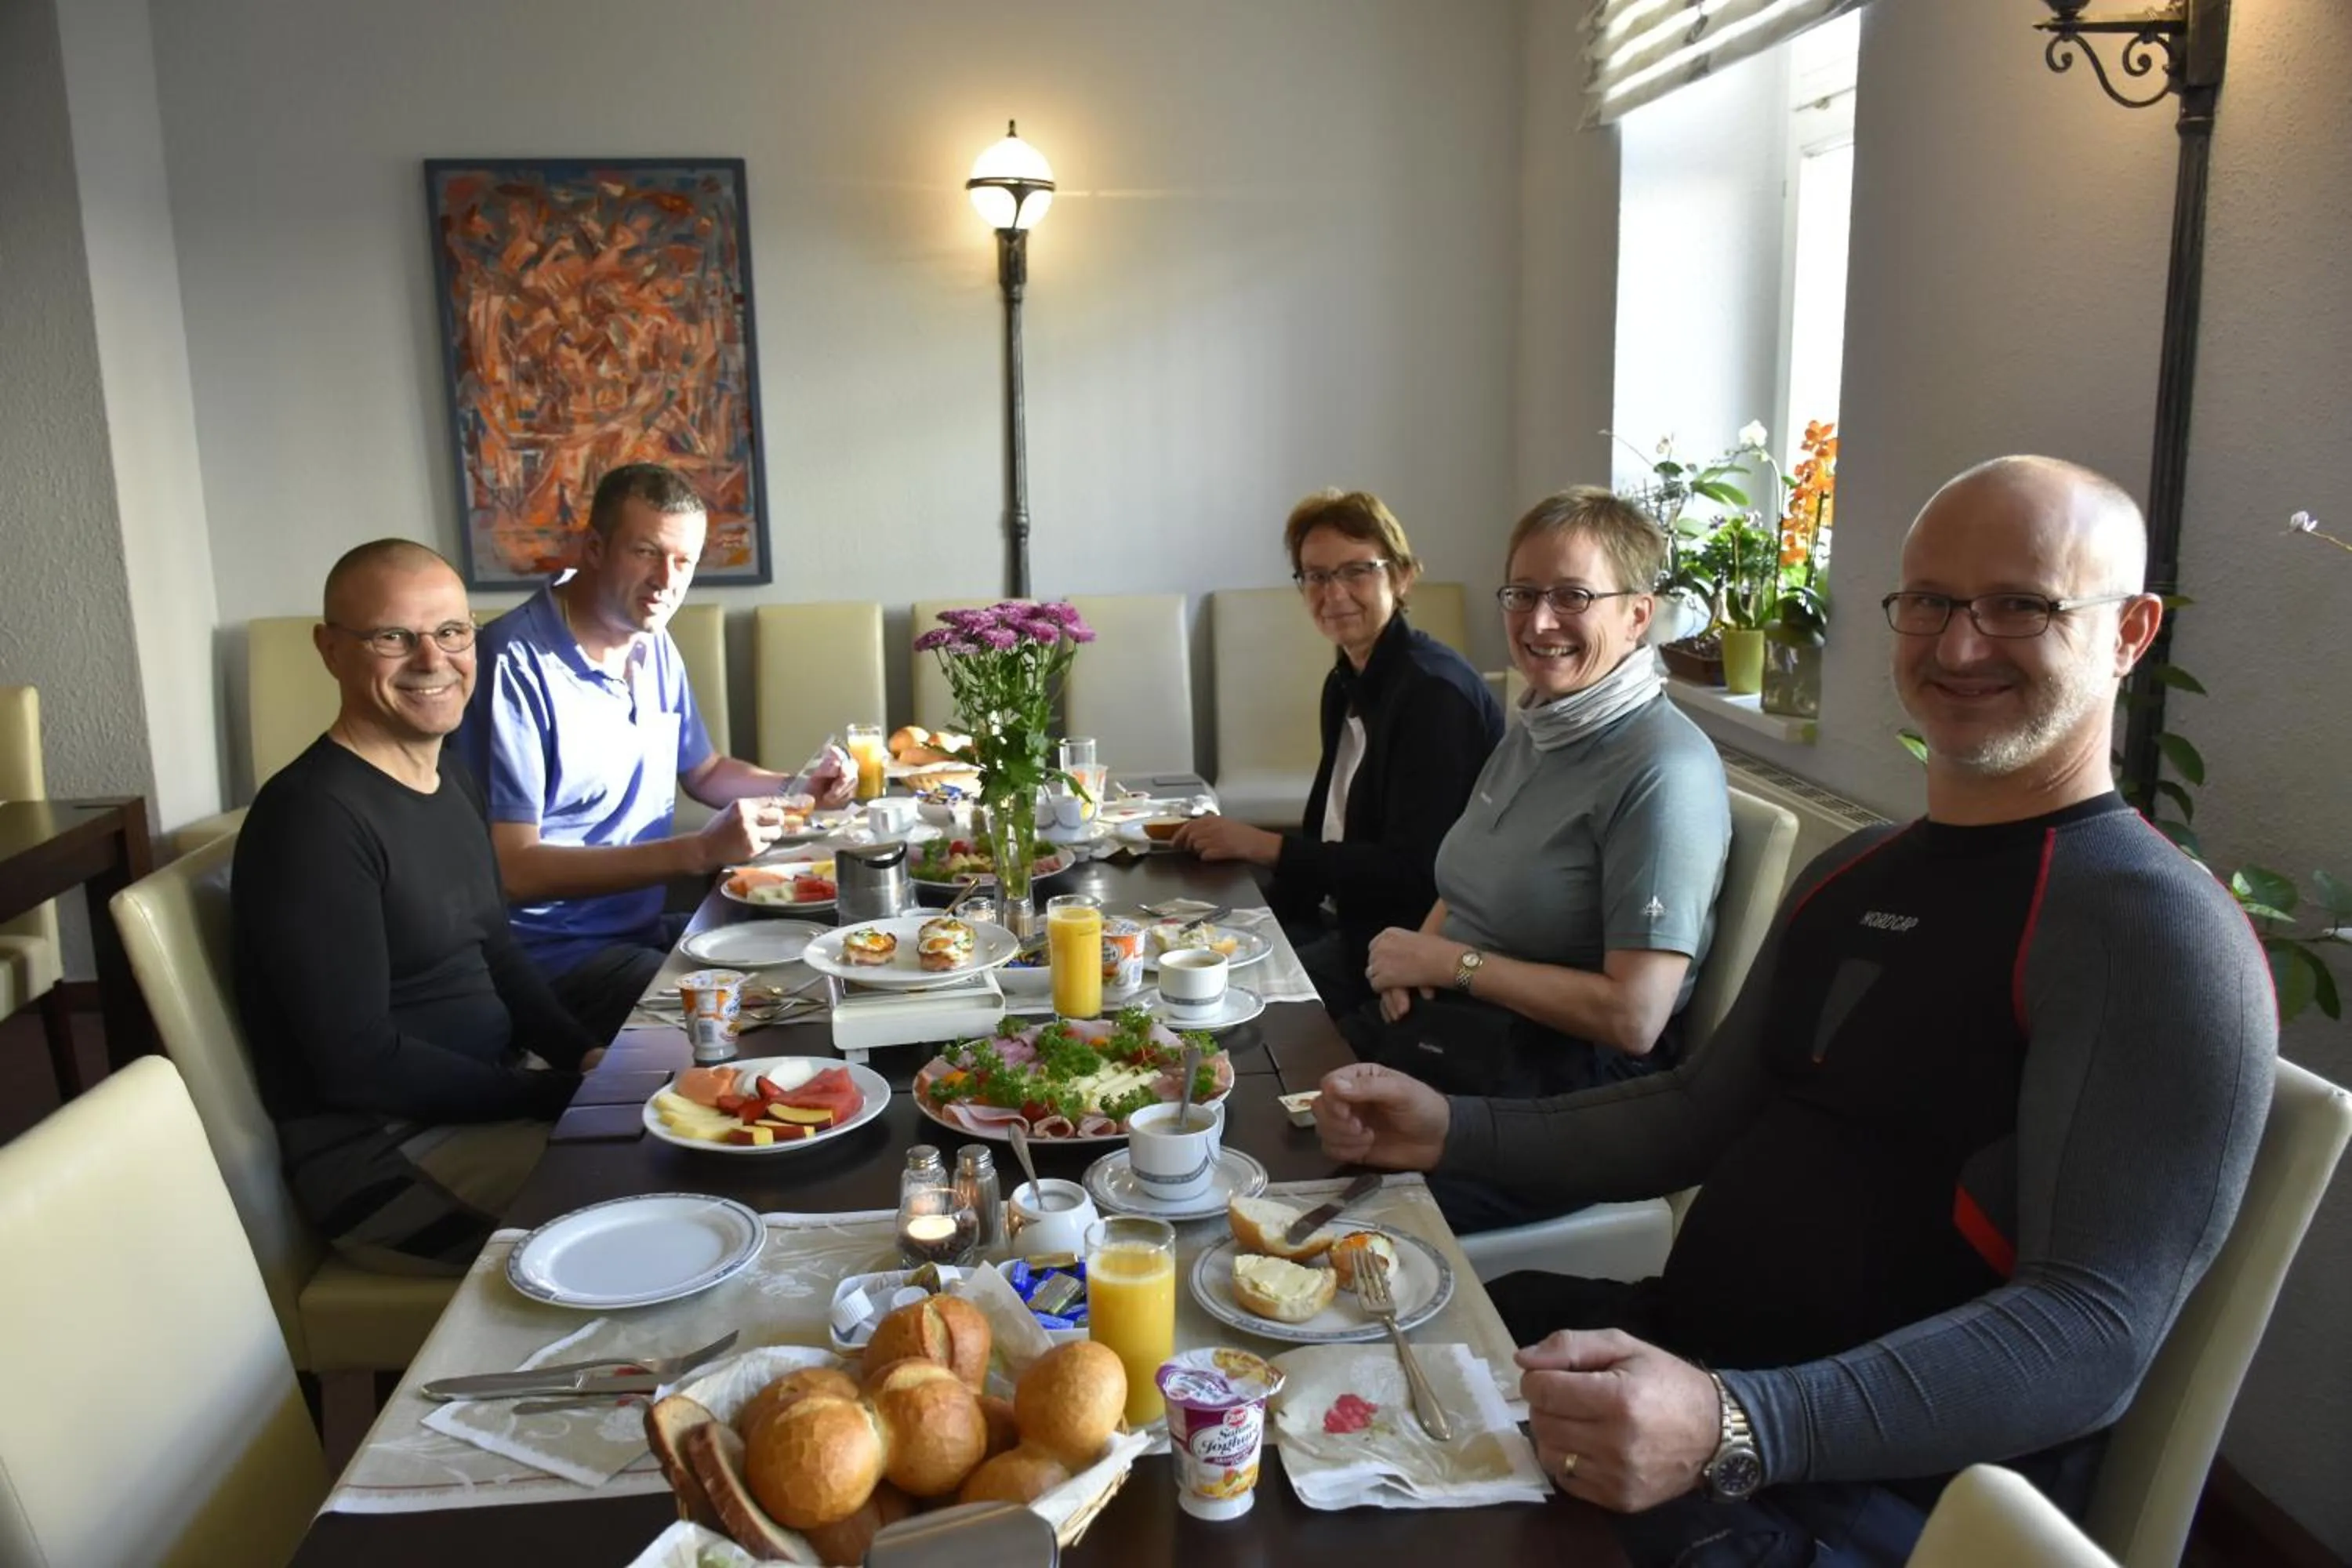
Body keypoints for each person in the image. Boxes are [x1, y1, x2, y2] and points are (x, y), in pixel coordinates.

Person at [1314, 456, 2277, 1567]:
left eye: (2023, 605)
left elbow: (2089, 1332)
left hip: (1863, 1491)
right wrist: (1450, 1125)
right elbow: (1691, 1112)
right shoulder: (1861, 873)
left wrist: (1742, 1423)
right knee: (1348, 1358)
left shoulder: (2153, 934)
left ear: (2130, 631)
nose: (1960, 645)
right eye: (1929, 602)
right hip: (1698, 1365)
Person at [1352, 488, 1730, 1230]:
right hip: (1475, 1040)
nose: (1539, 620)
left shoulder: (1664, 771)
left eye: (1572, 596)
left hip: (1575, 1094)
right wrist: (1424, 948)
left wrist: (1448, 966)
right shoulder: (1540, 724)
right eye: (1522, 593)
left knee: (1336, 1204)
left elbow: (1635, 1017)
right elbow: (1466, 876)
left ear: (1637, 615)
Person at [234, 540, 601, 1276]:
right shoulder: (313, 819)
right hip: (383, 1159)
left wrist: (589, 1058)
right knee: (663, 1186)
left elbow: (497, 951)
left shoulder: (450, 777)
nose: (433, 660)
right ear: (330, 649)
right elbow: (356, 1063)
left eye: (452, 632)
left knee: (694, 1137)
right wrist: (558, 1095)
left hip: (480, 1103)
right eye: (393, 637)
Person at [462, 463, 851, 1043]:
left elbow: (707, 772)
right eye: (646, 552)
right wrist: (698, 852)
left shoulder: (653, 641)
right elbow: (514, 871)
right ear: (594, 547)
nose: (666, 579)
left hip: (643, 928)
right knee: (767, 1025)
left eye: (684, 561)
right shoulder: (513, 663)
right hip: (556, 960)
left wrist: (798, 786)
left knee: (821, 956)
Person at [1173, 490, 1503, 1014]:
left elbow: (1415, 874)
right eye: (1316, 576)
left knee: (1203, 1005)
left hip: (1392, 947)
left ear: (1402, 576)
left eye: (1356, 571)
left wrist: (1264, 846)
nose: (1334, 593)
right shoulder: (1348, 678)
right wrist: (1248, 921)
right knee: (1179, 955)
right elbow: (1331, 834)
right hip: (1339, 918)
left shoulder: (1433, 694)